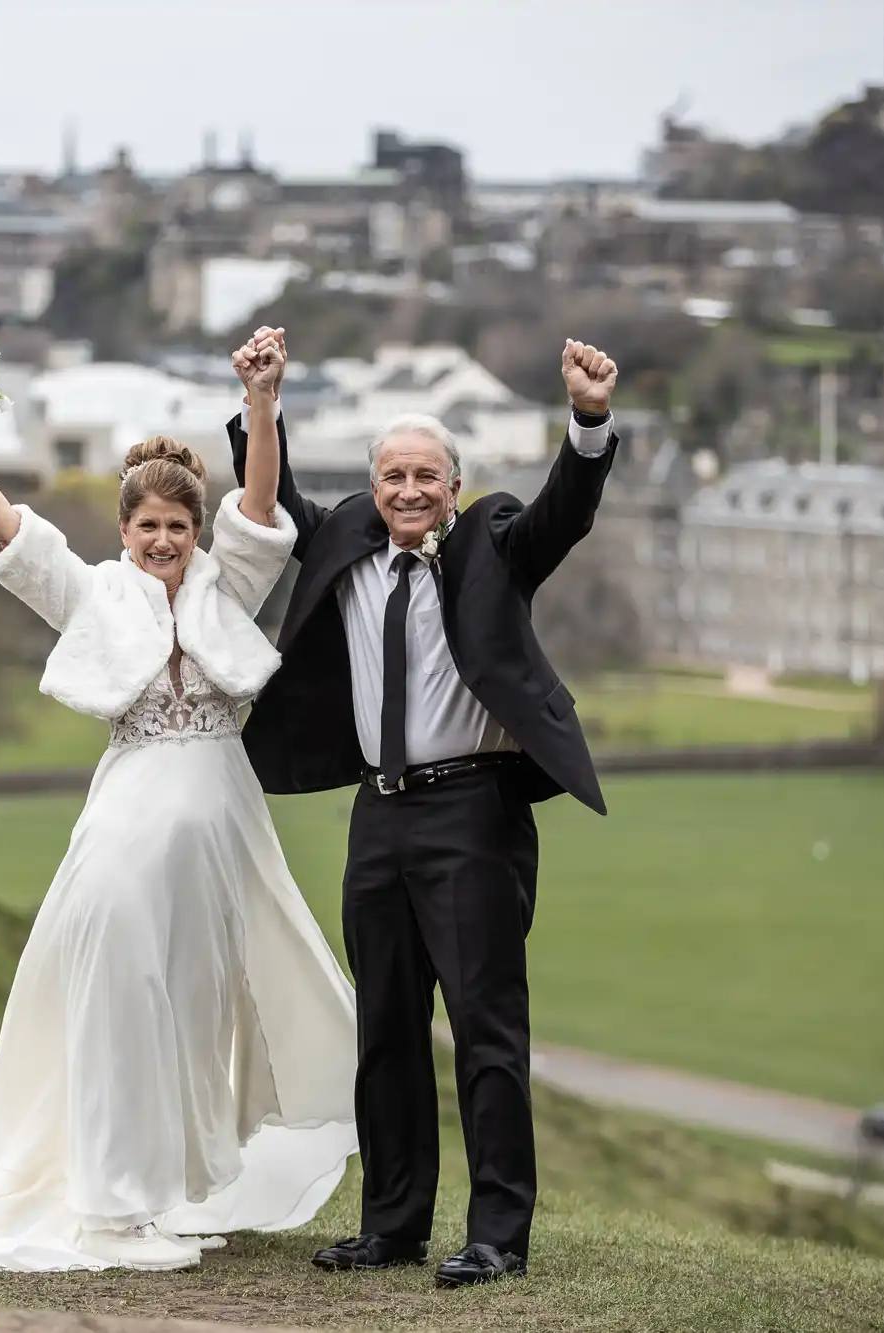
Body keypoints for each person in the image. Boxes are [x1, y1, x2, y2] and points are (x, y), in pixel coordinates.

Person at [0, 363, 357, 1274]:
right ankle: (107, 1202)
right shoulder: (92, 595)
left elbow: (261, 503)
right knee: (120, 989)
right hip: (128, 826)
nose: (166, 540)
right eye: (149, 527)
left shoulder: (229, 585)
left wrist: (264, 400)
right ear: (125, 530)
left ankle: (166, 1193)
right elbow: (6, 521)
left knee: (197, 1005)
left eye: (180, 526)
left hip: (220, 832)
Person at [225, 326, 620, 1288]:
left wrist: (589, 419)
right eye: (393, 475)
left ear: (455, 484)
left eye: (427, 477)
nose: (408, 491)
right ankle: (392, 1224)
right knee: (387, 1027)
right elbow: (264, 492)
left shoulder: (495, 543)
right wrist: (264, 400)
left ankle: (497, 1236)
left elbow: (565, 514)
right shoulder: (346, 541)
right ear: (374, 484)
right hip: (380, 815)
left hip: (473, 814)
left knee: (487, 1029)